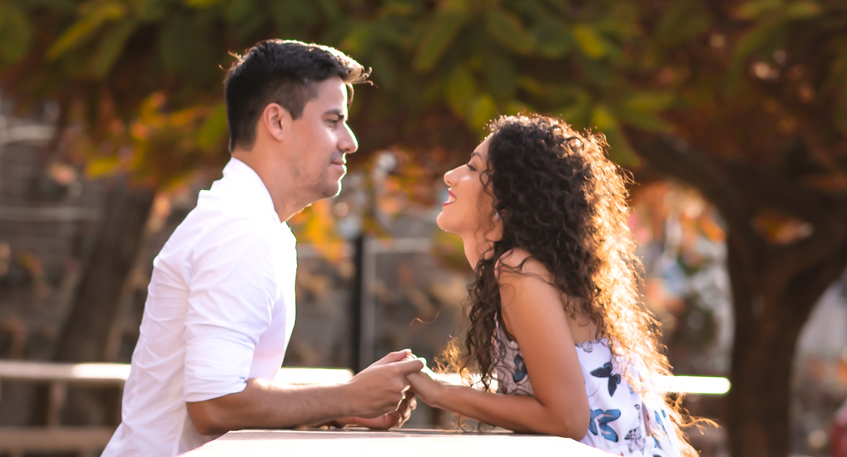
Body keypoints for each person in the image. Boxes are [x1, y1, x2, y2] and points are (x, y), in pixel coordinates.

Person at [103, 40, 424, 457]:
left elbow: (228, 393)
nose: (350, 141)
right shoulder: (242, 228)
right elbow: (214, 405)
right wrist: (346, 398)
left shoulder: (250, 221)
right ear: (277, 121)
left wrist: (343, 405)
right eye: (333, 121)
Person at [404, 114, 695, 456]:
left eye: (472, 167)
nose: (450, 176)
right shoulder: (533, 271)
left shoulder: (519, 270)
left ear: (508, 200)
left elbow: (566, 419)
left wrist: (438, 392)